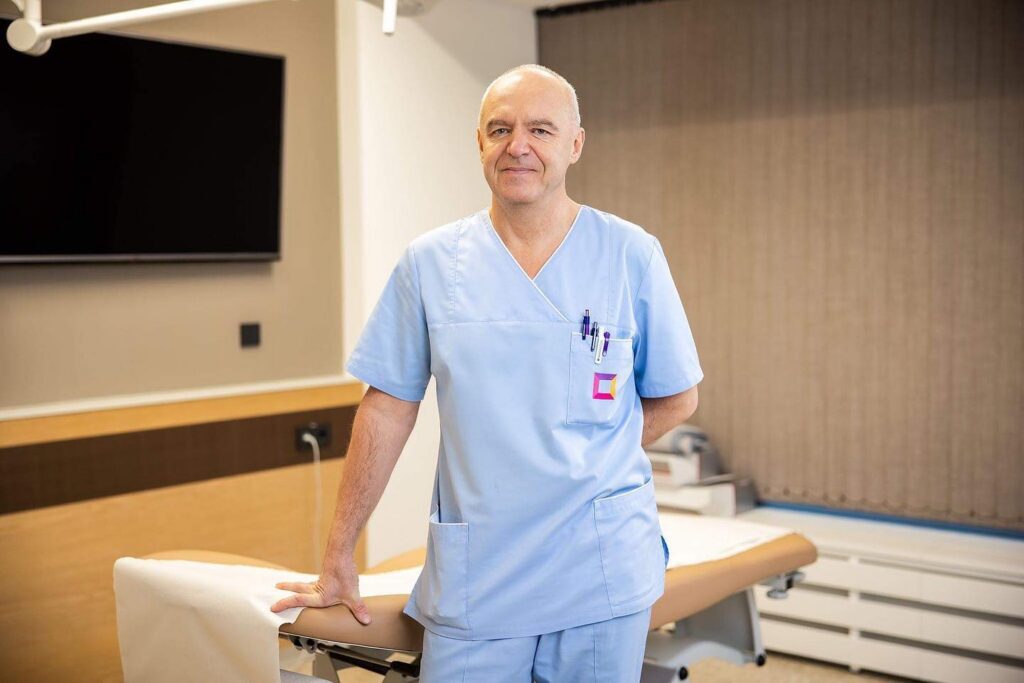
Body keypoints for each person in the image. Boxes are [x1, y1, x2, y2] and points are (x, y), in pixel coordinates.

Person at [271, 64, 702, 682]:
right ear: (480, 144)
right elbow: (386, 407)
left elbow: (677, 397)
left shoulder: (630, 254)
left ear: (575, 145)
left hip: (598, 565)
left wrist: (585, 462)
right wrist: (339, 552)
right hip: (481, 570)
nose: (517, 146)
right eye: (500, 130)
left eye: (540, 130)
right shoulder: (431, 264)